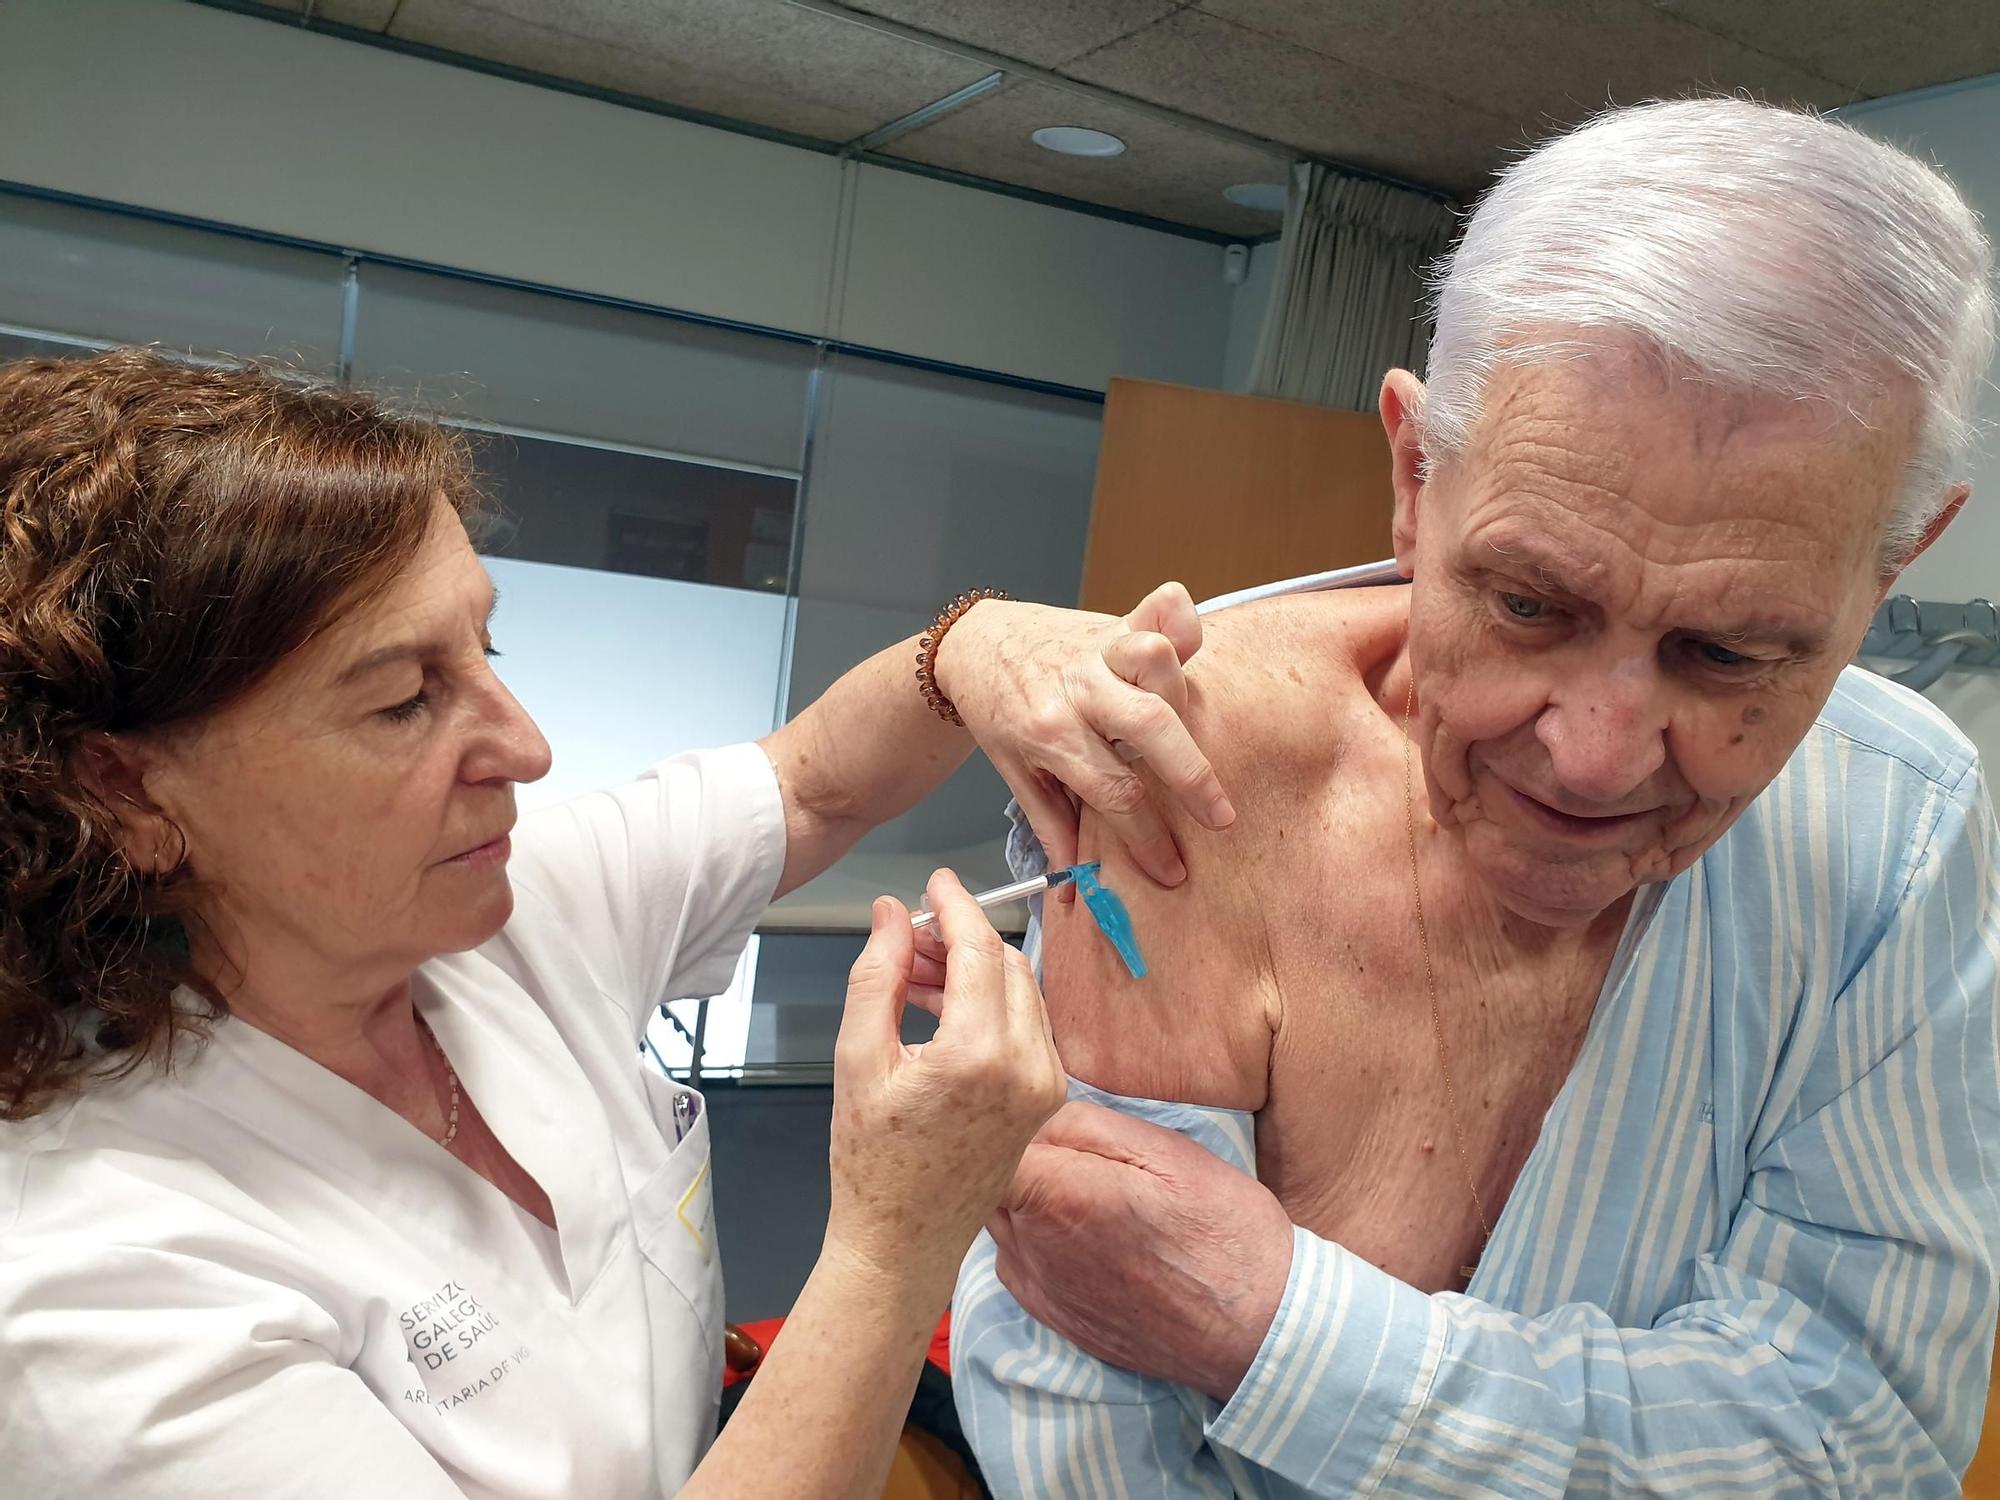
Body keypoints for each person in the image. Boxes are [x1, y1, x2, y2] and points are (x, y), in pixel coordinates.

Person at [951, 98, 2000, 1497]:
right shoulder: (1191, 766)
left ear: (1892, 567)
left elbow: (1865, 1440)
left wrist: (1274, 1330)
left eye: (1729, 653)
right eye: (1527, 603)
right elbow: (1088, 1447)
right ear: (1413, 474)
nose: (1597, 756)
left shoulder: (1896, 825)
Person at [0, 347, 1232, 1498]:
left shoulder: (492, 916)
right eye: (404, 701)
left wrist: (970, 646)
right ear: (129, 793)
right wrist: (895, 1238)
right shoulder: (97, 1295)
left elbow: (814, 783)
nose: (527, 747)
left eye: (485, 648)